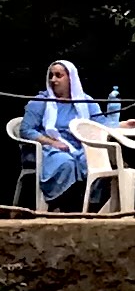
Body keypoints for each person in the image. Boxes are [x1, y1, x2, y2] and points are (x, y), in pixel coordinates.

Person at [14, 61, 117, 209]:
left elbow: (101, 124)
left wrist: (123, 124)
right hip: (49, 148)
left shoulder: (85, 101)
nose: (53, 80)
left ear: (71, 79)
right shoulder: (41, 101)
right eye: (51, 76)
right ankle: (65, 206)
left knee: (93, 161)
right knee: (65, 162)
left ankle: (90, 206)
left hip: (80, 147)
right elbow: (26, 130)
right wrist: (52, 142)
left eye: (58, 76)